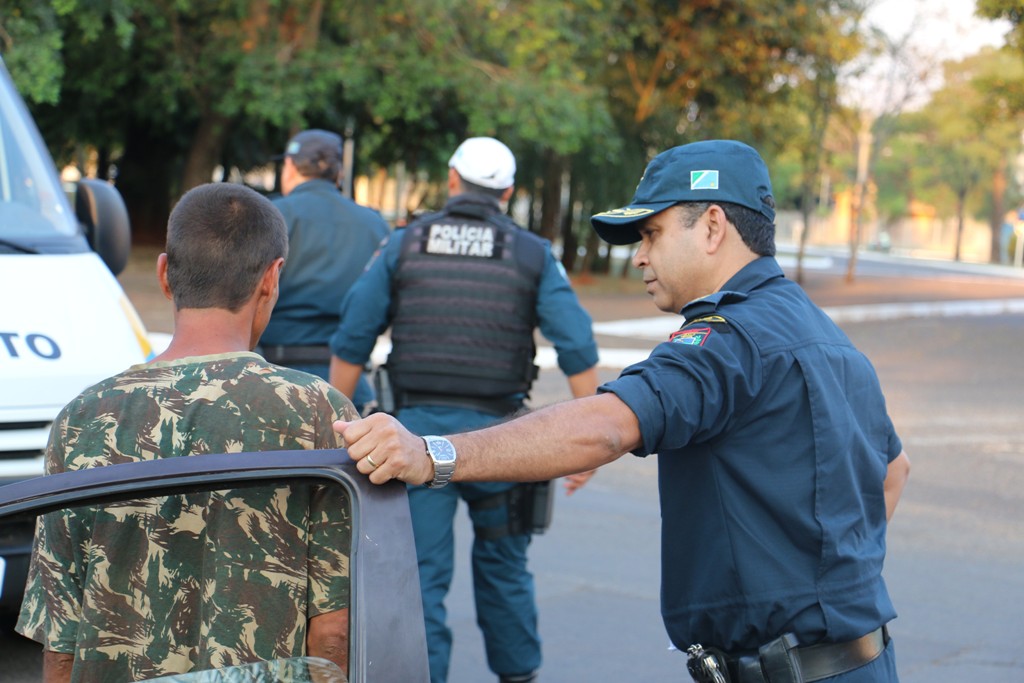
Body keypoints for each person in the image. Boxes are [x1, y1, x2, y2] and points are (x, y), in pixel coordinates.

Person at [335, 140, 912, 683]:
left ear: (713, 226)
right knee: (500, 576)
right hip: (861, 660)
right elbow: (893, 470)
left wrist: (431, 453)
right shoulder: (826, 336)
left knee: (423, 586)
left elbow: (608, 425)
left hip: (779, 670)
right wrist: (822, 588)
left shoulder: (727, 341)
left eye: (652, 234)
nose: (639, 256)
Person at [17, 183, 358, 683]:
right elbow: (334, 630)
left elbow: (61, 634)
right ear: (271, 279)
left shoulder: (82, 418)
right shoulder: (317, 413)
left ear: (163, 274)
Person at [328, 136, 599, 683]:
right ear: (508, 192)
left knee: (421, 580)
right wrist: (590, 444)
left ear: (452, 180)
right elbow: (576, 343)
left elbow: (354, 337)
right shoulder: (532, 253)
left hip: (416, 443)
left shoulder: (405, 243)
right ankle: (519, 676)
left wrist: (338, 427)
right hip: (505, 444)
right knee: (505, 571)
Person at [259, 128, 389, 413]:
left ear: (290, 166)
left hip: (274, 377)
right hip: (347, 385)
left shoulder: (268, 215)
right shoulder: (375, 224)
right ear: (338, 173)